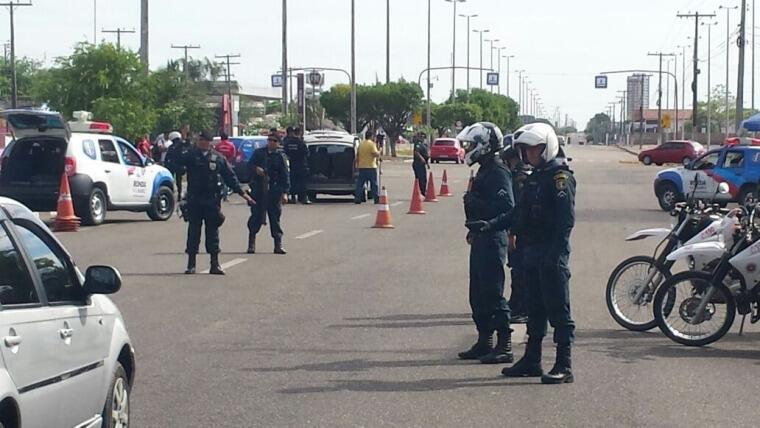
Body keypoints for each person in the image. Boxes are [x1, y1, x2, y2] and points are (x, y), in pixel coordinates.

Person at [502, 122, 576, 384]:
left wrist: (554, 257)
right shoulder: (535, 177)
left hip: (551, 254)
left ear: (546, 148)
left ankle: (564, 365)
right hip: (530, 253)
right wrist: (493, 224)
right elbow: (519, 212)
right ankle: (532, 359)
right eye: (526, 150)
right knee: (534, 308)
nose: (529, 155)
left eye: (534, 150)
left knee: (558, 310)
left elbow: (564, 221)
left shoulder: (560, 178)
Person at [456, 122, 515, 365]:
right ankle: (484, 340)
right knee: (477, 294)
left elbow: (507, 208)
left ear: (485, 145)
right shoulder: (483, 169)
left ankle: (504, 344)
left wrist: (480, 210)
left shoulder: (498, 171)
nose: (468, 149)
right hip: (480, 236)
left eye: (471, 144)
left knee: (493, 292)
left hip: (493, 238)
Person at [179, 131, 253, 275]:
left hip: (211, 200)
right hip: (194, 199)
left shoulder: (218, 158)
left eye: (204, 139)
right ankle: (191, 264)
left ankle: (215, 264)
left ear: (210, 142)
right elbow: (175, 163)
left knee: (213, 232)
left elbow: (230, 177)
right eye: (200, 139)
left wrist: (243, 194)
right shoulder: (190, 155)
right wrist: (181, 144)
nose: (201, 142)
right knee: (193, 232)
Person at [247, 133, 290, 255]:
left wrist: (285, 192)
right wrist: (256, 169)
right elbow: (249, 166)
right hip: (259, 190)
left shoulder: (281, 156)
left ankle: (278, 244)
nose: (271, 142)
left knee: (275, 218)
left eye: (274, 141)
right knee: (255, 216)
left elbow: (285, 175)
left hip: (274, 190)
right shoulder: (259, 153)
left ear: (278, 143)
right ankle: (251, 243)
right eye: (270, 140)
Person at [501, 146, 530, 324]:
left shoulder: (519, 177)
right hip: (521, 231)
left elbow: (518, 209)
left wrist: (513, 233)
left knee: (520, 271)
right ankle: (515, 303)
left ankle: (523, 308)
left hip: (521, 233)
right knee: (517, 270)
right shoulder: (522, 173)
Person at [283, 126, 311, 204]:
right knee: (302, 183)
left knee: (293, 182)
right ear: (299, 133)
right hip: (301, 165)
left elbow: (285, 153)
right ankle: (303, 198)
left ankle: (292, 198)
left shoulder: (288, 143)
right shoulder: (301, 142)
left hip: (292, 165)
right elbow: (307, 153)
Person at [354, 130, 380, 204]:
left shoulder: (361, 144)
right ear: (371, 136)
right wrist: (379, 151)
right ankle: (376, 199)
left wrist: (356, 164)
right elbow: (375, 154)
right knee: (374, 184)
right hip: (371, 167)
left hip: (362, 166)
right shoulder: (371, 144)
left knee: (360, 184)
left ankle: (357, 198)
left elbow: (357, 156)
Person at [164, 131, 191, 199]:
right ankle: (179, 194)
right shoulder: (182, 145)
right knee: (179, 181)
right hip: (179, 166)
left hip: (172, 166)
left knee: (172, 180)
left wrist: (166, 165)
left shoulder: (171, 147)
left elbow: (167, 158)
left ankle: (172, 194)